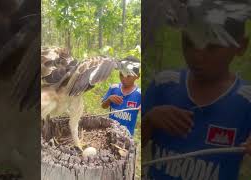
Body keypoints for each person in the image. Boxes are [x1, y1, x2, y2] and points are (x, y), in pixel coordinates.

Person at [142, 19, 251, 180]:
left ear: (240, 46)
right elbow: (134, 144)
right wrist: (149, 120)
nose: (197, 55)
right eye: (188, 42)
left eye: (212, 46)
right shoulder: (164, 85)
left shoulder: (246, 101)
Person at [101, 56, 141, 136]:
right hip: (111, 132)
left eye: (128, 76)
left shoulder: (139, 94)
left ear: (137, 76)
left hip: (127, 136)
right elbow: (103, 106)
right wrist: (109, 99)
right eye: (121, 74)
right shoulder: (113, 88)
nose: (124, 78)